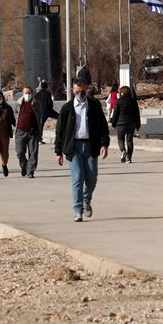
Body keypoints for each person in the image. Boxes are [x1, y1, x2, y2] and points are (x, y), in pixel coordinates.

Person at [54, 79, 110, 222]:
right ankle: (77, 210)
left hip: (91, 146)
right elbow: (60, 131)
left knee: (91, 179)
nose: (80, 94)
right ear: (73, 91)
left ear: (87, 90)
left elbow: (103, 127)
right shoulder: (67, 109)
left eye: (82, 91)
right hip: (74, 147)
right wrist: (58, 151)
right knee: (77, 178)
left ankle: (86, 200)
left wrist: (104, 145)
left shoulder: (94, 106)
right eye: (77, 91)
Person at [15, 86, 43, 178]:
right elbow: (15, 114)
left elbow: (40, 117)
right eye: (26, 93)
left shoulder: (36, 103)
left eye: (29, 93)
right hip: (20, 132)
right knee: (20, 152)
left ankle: (30, 170)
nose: (28, 95)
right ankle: (24, 166)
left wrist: (39, 131)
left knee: (33, 152)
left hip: (32, 132)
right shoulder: (18, 104)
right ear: (22, 94)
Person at [110, 85, 140, 164]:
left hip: (121, 123)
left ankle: (123, 151)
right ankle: (129, 157)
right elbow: (137, 113)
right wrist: (138, 124)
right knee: (129, 140)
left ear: (121, 93)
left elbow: (115, 113)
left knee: (120, 139)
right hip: (131, 123)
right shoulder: (133, 101)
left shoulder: (119, 101)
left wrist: (113, 123)